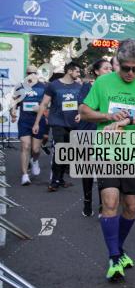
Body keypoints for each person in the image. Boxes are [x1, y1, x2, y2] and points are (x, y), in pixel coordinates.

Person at [79, 40, 135, 283]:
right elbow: (84, 111)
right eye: (125, 68)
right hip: (107, 150)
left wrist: (129, 121)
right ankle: (114, 256)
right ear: (117, 62)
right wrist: (107, 115)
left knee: (131, 206)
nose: (130, 73)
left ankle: (119, 248)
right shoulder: (104, 82)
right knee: (110, 200)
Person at [34, 61, 82, 191]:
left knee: (67, 153)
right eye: (77, 71)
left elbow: (82, 105)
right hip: (58, 123)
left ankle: (60, 179)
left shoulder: (79, 86)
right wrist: (37, 122)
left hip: (73, 124)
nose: (79, 73)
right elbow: (44, 104)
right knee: (60, 151)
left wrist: (81, 114)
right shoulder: (53, 85)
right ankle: (54, 181)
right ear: (69, 71)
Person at [76, 58, 113, 216]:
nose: (109, 71)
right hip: (87, 132)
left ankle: (102, 205)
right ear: (96, 71)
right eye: (106, 69)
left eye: (111, 69)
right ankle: (87, 201)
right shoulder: (87, 87)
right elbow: (83, 110)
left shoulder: (113, 88)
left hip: (105, 134)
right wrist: (107, 115)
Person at [10, 66, 48, 186]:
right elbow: (14, 101)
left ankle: (34, 160)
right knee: (25, 146)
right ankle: (25, 175)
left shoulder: (44, 87)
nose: (31, 75)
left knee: (36, 149)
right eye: (29, 73)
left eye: (34, 73)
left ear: (37, 73)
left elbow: (48, 104)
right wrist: (13, 112)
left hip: (39, 120)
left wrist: (42, 110)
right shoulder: (21, 86)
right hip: (24, 121)